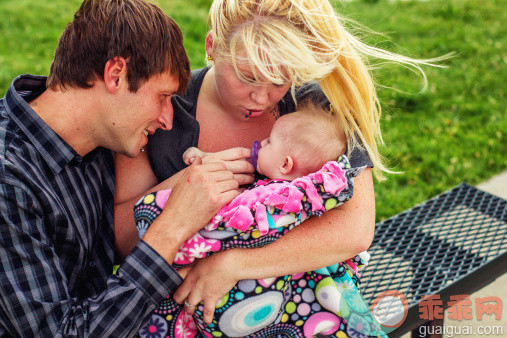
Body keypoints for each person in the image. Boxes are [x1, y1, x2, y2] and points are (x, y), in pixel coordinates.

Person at [115, 0, 440, 336]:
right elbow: (123, 239)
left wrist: (233, 264)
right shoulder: (164, 108)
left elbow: (354, 231)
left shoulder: (316, 105)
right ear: (211, 46)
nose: (261, 97)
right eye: (247, 76)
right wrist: (187, 183)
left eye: (280, 80)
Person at [0, 0, 245, 336]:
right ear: (116, 75)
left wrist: (191, 182)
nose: (167, 119)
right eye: (162, 97)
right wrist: (170, 227)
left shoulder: (95, 138)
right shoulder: (9, 178)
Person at [132, 102, 383, 337]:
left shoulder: (274, 199)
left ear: (285, 164)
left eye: (268, 141)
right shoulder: (287, 189)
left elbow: (234, 225)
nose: (260, 143)